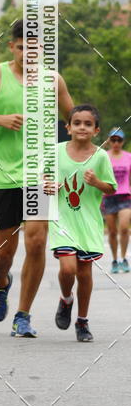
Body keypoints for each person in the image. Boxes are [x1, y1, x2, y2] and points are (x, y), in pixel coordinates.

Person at [0, 19, 74, 338]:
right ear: (11, 46)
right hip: (2, 177)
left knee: (37, 242)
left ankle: (23, 315)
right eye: (21, 48)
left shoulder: (53, 80)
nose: (27, 54)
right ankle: (2, 283)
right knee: (4, 253)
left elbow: (75, 119)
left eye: (34, 49)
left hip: (40, 176)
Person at [45, 105, 116, 342]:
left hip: (88, 222)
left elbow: (111, 188)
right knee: (68, 269)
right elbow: (44, 177)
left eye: (88, 124)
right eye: (77, 123)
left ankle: (82, 321)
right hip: (62, 219)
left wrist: (96, 182)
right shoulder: (55, 151)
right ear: (68, 127)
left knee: (84, 273)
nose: (82, 127)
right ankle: (66, 299)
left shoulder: (101, 156)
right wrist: (48, 185)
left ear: (96, 130)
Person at [102, 128, 131, 273]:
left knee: (124, 228)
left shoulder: (128, 157)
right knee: (112, 232)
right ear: (109, 141)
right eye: (113, 140)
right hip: (108, 197)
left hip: (125, 196)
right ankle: (114, 260)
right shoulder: (104, 157)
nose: (116, 143)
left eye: (119, 140)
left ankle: (124, 258)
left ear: (123, 141)